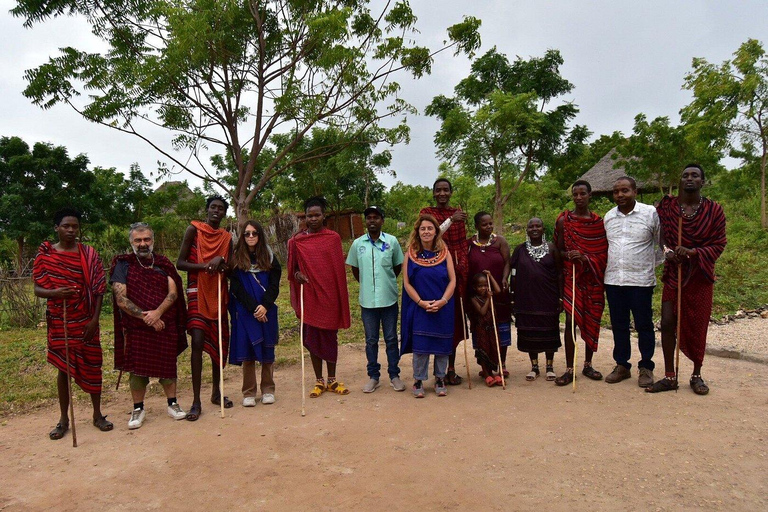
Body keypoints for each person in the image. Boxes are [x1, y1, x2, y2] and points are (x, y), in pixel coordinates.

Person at [647, 164, 726, 395]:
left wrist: (693, 252)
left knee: (697, 324)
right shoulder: (668, 207)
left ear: (703, 181)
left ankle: (696, 374)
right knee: (668, 322)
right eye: (685, 175)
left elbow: (719, 243)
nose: (689, 179)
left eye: (695, 176)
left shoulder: (713, 210)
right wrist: (668, 251)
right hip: (675, 273)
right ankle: (670, 376)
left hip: (699, 275)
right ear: (680, 181)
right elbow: (661, 235)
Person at [33, 208, 111, 440]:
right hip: (60, 321)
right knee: (63, 369)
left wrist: (95, 319)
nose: (71, 230)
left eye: (75, 226)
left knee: (93, 365)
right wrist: (56, 292)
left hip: (87, 320)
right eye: (66, 226)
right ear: (56, 228)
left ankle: (97, 415)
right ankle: (64, 419)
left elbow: (99, 289)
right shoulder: (46, 256)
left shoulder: (88, 254)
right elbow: (37, 289)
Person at [110, 223, 188, 429]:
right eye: (138, 240)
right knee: (137, 371)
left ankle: (173, 404)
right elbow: (121, 299)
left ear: (153, 240)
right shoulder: (123, 265)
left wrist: (158, 314)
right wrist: (147, 318)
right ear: (131, 242)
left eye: (147, 240)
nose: (143, 244)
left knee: (168, 367)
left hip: (163, 324)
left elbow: (173, 293)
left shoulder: (163, 264)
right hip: (137, 327)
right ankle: (138, 408)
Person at [288, 196, 351, 397]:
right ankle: (319, 381)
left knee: (330, 338)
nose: (313, 219)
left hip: (330, 296)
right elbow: (292, 270)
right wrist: (298, 275)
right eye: (309, 216)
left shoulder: (332, 239)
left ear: (324, 216)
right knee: (313, 338)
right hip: (310, 295)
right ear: (305, 217)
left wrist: (339, 298)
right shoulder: (297, 241)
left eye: (317, 215)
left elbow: (339, 272)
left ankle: (332, 380)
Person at [177, 196, 233, 421]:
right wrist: (205, 266)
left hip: (218, 292)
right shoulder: (194, 230)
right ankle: (196, 400)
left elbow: (229, 267)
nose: (216, 211)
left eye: (220, 209)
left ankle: (216, 393)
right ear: (207, 210)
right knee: (198, 342)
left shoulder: (227, 238)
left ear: (225, 214)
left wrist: (221, 261)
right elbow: (180, 263)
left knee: (219, 343)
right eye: (213, 207)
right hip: (196, 291)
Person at [603, 177, 662, 388]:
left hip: (641, 281)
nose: (620, 195)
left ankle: (646, 366)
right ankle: (622, 365)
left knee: (644, 325)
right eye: (616, 191)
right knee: (619, 325)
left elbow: (661, 244)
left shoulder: (650, 214)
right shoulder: (608, 217)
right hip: (613, 280)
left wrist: (648, 266)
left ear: (635, 192)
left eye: (625, 190)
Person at [554, 180, 608, 386]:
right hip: (572, 277)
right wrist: (569, 254)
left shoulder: (597, 223)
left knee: (592, 320)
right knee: (570, 321)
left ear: (590, 195)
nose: (578, 198)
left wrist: (586, 258)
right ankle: (569, 368)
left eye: (582, 194)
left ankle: (587, 364)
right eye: (575, 194)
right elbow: (558, 251)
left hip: (592, 279)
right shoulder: (564, 221)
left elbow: (603, 254)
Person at [346, 206, 406, 393]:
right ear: (366, 221)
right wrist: (368, 286)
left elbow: (397, 267)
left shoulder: (392, 242)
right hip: (368, 302)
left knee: (390, 339)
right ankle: (373, 377)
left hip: (388, 299)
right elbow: (356, 270)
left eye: (376, 218)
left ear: (382, 220)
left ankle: (394, 375)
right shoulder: (358, 244)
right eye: (369, 218)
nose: (372, 221)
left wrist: (384, 283)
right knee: (371, 340)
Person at [400, 214, 456, 398]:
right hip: (420, 307)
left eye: (430, 228)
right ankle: (418, 380)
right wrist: (421, 303)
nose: (426, 232)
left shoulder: (444, 253)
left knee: (442, 343)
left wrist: (443, 301)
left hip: (443, 306)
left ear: (436, 231)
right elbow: (407, 283)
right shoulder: (411, 254)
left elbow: (452, 280)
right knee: (421, 346)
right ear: (417, 232)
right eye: (422, 228)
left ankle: (440, 378)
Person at [420, 178, 469, 385]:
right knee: (434, 321)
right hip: (433, 272)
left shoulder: (457, 213)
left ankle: (450, 368)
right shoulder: (426, 213)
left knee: (454, 323)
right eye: (438, 190)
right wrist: (451, 219)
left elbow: (462, 244)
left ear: (450, 192)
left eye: (445, 190)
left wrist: (462, 267)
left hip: (455, 273)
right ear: (433, 193)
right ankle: (435, 371)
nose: (442, 193)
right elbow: (429, 236)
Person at [228, 220, 281, 406]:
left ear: (260, 235)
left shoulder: (270, 257)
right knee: (248, 350)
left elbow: (275, 285)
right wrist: (253, 308)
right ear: (242, 236)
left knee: (267, 349)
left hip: (266, 310)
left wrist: (264, 306)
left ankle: (268, 389)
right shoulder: (236, 258)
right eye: (247, 233)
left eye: (254, 233)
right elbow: (236, 288)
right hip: (245, 311)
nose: (251, 237)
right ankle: (248, 392)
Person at [510, 217, 563, 381]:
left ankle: (549, 366)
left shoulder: (552, 249)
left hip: (548, 298)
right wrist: (512, 297)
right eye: (531, 226)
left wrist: (561, 297)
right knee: (529, 333)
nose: (534, 228)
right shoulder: (520, 250)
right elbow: (513, 273)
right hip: (526, 300)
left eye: (537, 226)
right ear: (527, 230)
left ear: (543, 229)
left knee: (549, 332)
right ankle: (534, 367)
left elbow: (560, 273)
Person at [468, 211, 512, 377]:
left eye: (490, 223)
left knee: (500, 327)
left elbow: (508, 262)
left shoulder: (500, 241)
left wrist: (504, 278)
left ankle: (502, 363)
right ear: (477, 226)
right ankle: (485, 365)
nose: (488, 227)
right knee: (482, 329)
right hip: (477, 296)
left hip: (497, 293)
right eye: (484, 224)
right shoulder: (470, 244)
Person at [467, 271, 504, 387]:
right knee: (484, 351)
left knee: (494, 349)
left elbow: (498, 290)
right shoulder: (474, 299)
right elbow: (482, 312)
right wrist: (488, 299)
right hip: (481, 329)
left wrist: (491, 276)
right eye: (480, 286)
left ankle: (493, 372)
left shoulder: (490, 293)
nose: (483, 288)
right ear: (475, 287)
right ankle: (486, 373)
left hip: (493, 328)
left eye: (485, 285)